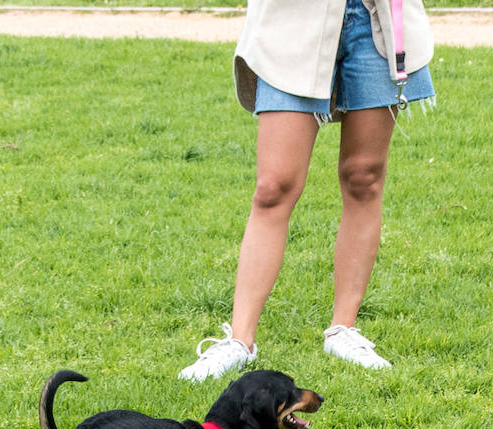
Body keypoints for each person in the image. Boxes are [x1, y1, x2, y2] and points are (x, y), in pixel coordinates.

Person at [179, 0, 435, 382]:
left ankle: (343, 330)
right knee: (273, 186)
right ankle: (239, 340)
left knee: (363, 177)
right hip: (293, 21)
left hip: (375, 20)